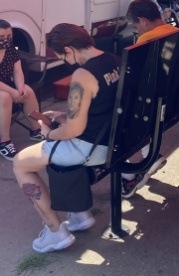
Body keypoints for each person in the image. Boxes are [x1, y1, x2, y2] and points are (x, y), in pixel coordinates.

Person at [12, 24, 120, 253]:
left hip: (92, 147)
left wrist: (49, 133)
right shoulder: (113, 60)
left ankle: (55, 232)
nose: (65, 61)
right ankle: (79, 215)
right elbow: (101, 105)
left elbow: (73, 131)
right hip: (114, 138)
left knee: (20, 162)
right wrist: (64, 115)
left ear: (70, 49)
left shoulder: (83, 74)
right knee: (55, 145)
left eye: (62, 55)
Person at [121, 0, 179, 198]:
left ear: (143, 20)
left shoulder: (147, 40)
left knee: (121, 113)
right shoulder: (176, 32)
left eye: (135, 25)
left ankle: (138, 166)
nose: (136, 30)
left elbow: (136, 81)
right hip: (178, 99)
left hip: (156, 105)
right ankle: (148, 155)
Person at [0, 19, 45, 161]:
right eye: (2, 38)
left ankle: (38, 129)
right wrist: (12, 92)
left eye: (9, 37)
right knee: (5, 97)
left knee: (28, 91)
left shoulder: (11, 50)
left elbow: (17, 72)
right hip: (3, 91)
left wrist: (19, 88)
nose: (6, 41)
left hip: (6, 86)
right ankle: (4, 142)